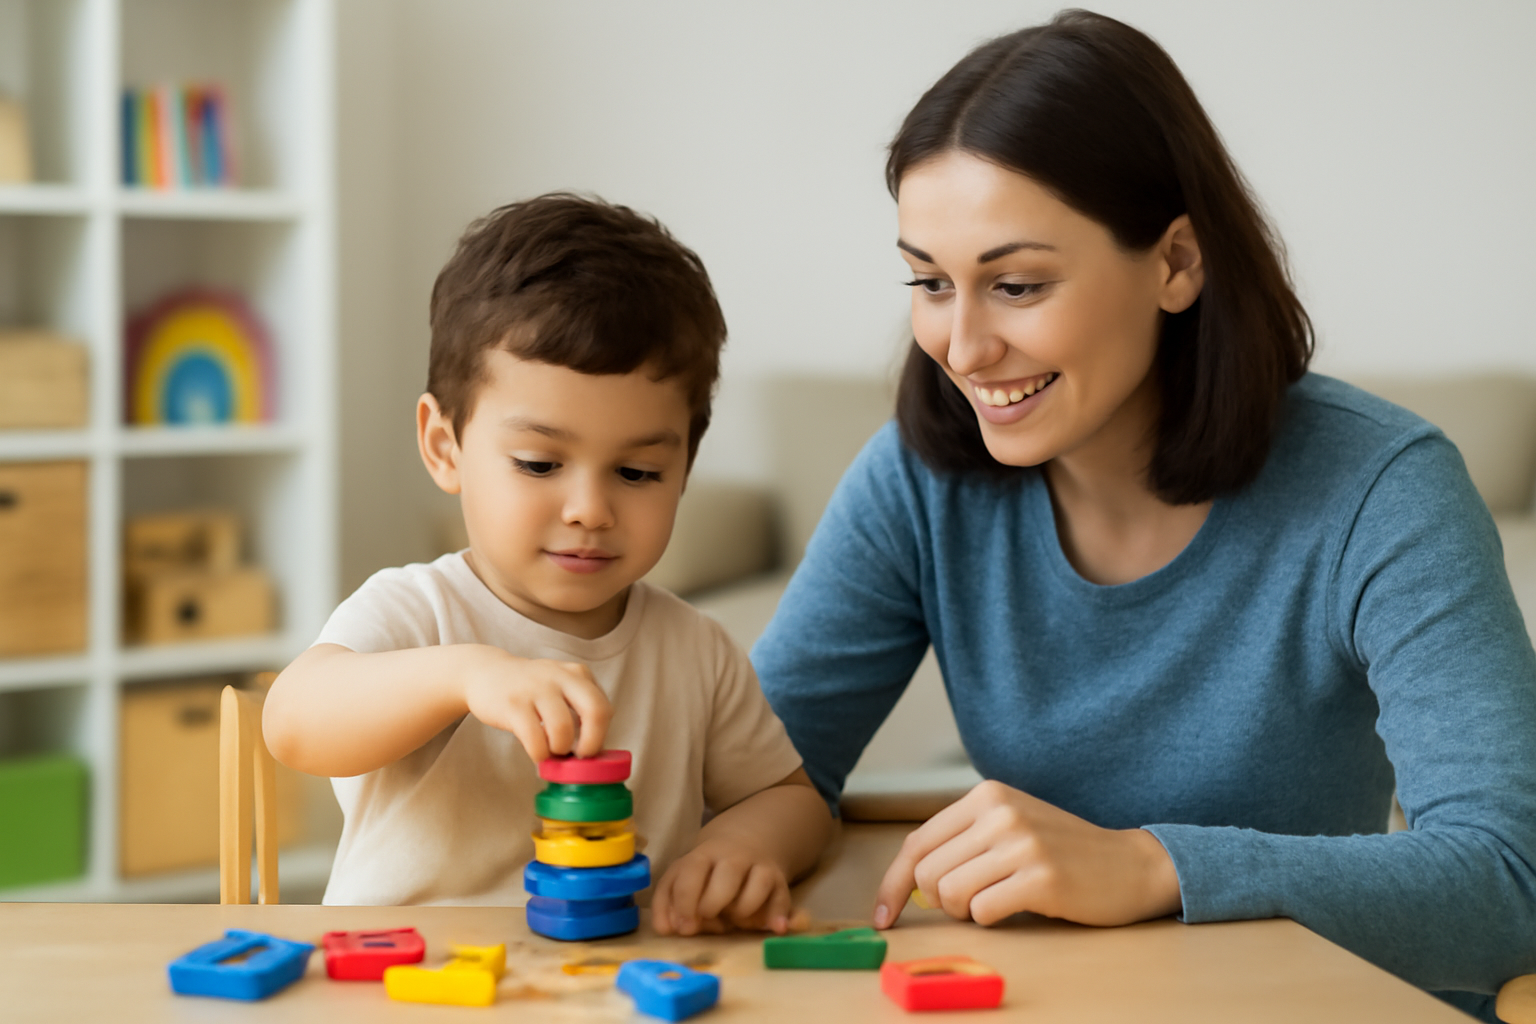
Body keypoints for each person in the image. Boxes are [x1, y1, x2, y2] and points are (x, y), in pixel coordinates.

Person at [750, 10, 1536, 1018]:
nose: (962, 344)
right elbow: (765, 771)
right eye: (929, 281)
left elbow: (1509, 878)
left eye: (1017, 283)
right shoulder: (916, 478)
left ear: (1175, 263)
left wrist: (1156, 866)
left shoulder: (1384, 486)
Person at [265, 194, 830, 935]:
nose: (589, 509)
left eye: (637, 473)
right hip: (409, 984)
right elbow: (295, 722)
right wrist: (465, 676)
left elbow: (795, 803)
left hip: (612, 985)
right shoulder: (417, 612)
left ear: (685, 467)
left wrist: (743, 841)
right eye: (539, 463)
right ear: (445, 447)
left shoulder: (695, 650)